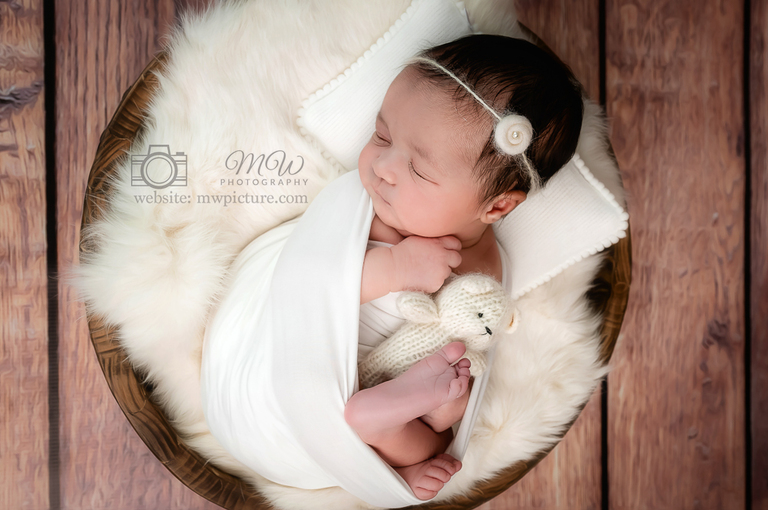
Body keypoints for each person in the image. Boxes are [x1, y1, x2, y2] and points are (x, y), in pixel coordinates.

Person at [344, 34, 584, 500]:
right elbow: (316, 286)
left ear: (495, 208)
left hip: (397, 385)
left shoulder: (487, 271)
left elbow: (472, 338)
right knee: (383, 418)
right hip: (329, 356)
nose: (383, 167)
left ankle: (399, 459)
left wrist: (448, 403)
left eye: (419, 171)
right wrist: (392, 267)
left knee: (436, 418)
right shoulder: (376, 212)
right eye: (382, 136)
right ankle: (387, 432)